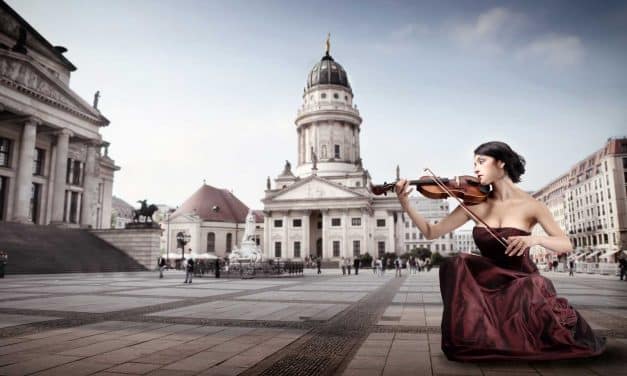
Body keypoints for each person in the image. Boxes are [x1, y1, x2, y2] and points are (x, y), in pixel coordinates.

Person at [395, 141, 605, 361]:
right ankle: (467, 339)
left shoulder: (532, 205)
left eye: (481, 162)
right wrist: (406, 203)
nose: (475, 169)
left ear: (501, 163)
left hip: (521, 278)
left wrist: (536, 239)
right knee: (455, 263)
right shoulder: (475, 203)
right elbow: (431, 232)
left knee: (533, 285)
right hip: (487, 278)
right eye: (474, 163)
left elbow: (566, 244)